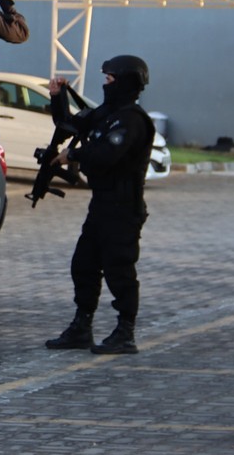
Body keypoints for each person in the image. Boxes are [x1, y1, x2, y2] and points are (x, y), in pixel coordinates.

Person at [45, 55, 155, 355]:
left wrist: (74, 156)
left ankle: (125, 332)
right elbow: (70, 124)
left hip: (123, 207)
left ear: (126, 82)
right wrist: (58, 96)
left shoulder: (132, 120)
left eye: (110, 79)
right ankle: (82, 327)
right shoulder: (108, 113)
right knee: (84, 265)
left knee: (120, 269)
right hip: (102, 204)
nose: (105, 84)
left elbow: (107, 154)